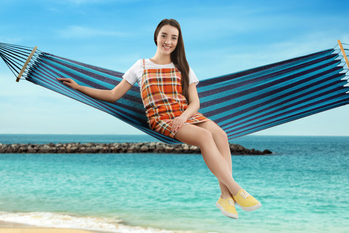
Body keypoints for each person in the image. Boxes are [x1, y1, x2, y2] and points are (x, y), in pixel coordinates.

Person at [57, 19, 261, 219]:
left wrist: (183, 117)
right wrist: (79, 87)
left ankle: (226, 196)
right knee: (205, 137)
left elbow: (195, 103)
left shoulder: (183, 66)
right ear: (156, 37)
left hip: (185, 114)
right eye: (164, 35)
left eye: (174, 37)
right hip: (162, 118)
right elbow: (113, 95)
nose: (168, 41)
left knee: (221, 135)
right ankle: (237, 190)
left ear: (178, 41)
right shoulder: (141, 65)